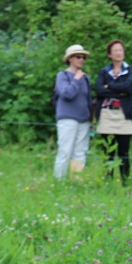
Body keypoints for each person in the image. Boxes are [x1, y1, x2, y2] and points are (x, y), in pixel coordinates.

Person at [94, 39, 132, 185]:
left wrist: (111, 86)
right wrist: (119, 91)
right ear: (109, 55)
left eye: (121, 50)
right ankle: (108, 181)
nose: (119, 53)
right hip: (107, 113)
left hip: (124, 114)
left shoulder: (131, 70)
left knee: (124, 151)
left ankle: (126, 182)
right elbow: (99, 90)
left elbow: (130, 88)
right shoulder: (103, 71)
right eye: (115, 51)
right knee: (108, 151)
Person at [53, 44, 92, 180]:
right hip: (67, 118)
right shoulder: (62, 75)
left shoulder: (86, 78)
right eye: (78, 57)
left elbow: (88, 99)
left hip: (84, 119)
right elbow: (66, 94)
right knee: (65, 151)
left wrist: (91, 117)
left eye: (83, 57)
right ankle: (59, 181)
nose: (81, 60)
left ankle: (76, 181)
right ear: (70, 59)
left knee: (80, 152)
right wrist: (76, 79)